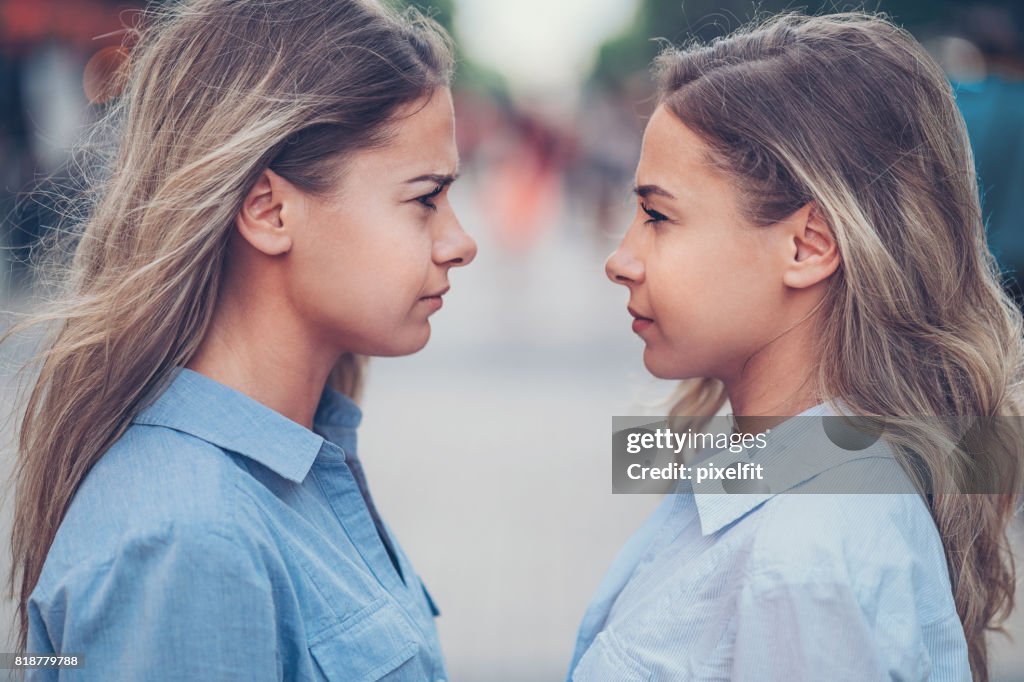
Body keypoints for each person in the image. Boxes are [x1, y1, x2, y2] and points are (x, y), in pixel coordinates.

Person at [8, 0, 475, 679]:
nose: (462, 242)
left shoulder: (290, 463)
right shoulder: (191, 542)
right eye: (425, 199)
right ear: (269, 210)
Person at [570, 12, 1023, 682]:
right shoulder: (807, 480)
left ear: (807, 246)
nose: (620, 260)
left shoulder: (805, 559)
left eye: (659, 216)